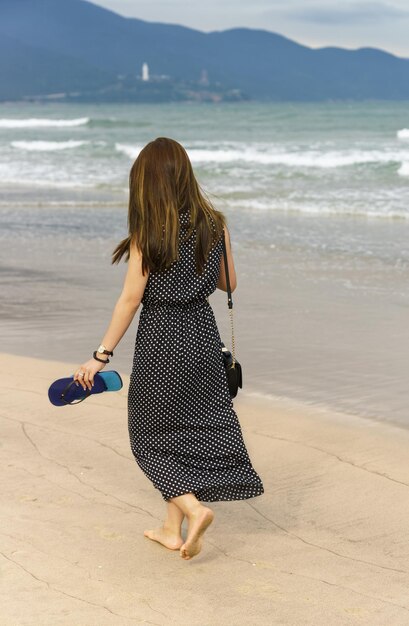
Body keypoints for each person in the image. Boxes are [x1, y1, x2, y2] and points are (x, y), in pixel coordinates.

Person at [73, 137, 264, 560]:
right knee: (184, 432)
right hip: (201, 336)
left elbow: (130, 299)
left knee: (147, 436)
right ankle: (169, 528)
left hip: (162, 340)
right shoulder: (215, 223)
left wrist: (100, 355)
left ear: (148, 183)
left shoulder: (149, 233)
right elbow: (229, 284)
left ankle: (194, 510)